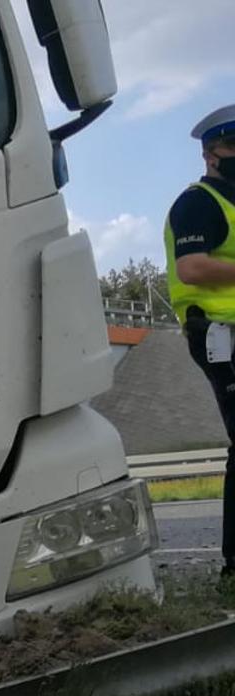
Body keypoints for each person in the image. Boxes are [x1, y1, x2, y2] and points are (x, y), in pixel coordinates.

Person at [167, 103, 235, 579]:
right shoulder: (198, 202)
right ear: (211, 154)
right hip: (219, 334)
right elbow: (191, 266)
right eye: (233, 146)